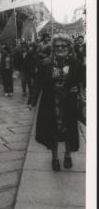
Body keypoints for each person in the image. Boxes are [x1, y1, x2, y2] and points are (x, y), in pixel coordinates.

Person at [29, 33, 83, 171]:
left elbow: (82, 80)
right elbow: (38, 83)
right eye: (57, 46)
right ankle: (55, 158)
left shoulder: (76, 63)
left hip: (69, 103)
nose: (60, 48)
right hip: (50, 103)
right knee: (52, 131)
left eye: (63, 46)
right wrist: (32, 100)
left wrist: (78, 90)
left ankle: (67, 155)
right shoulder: (46, 63)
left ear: (69, 47)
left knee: (69, 130)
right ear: (53, 47)